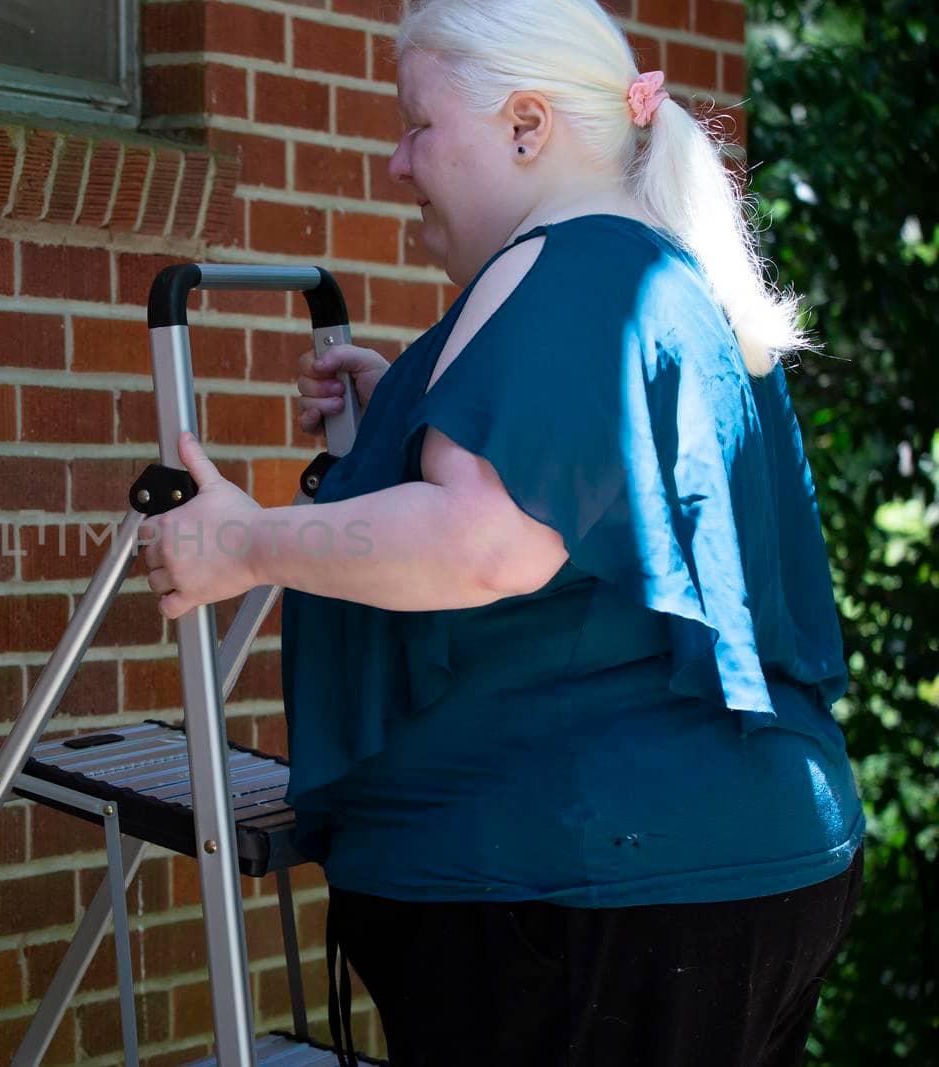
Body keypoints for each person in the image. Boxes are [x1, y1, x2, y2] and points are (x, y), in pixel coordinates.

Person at [138, 0, 865, 1064]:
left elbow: (485, 543)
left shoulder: (569, 265)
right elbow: (590, 517)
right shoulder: (663, 273)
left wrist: (245, 542)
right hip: (698, 873)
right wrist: (412, 410)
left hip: (583, 894)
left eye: (418, 125)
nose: (395, 161)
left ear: (526, 126)